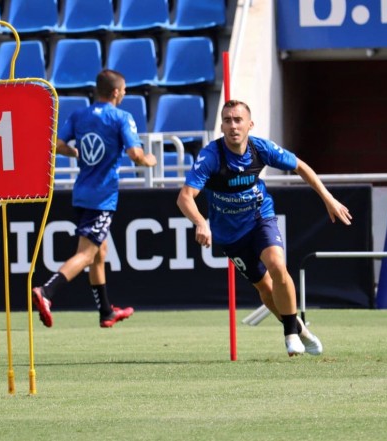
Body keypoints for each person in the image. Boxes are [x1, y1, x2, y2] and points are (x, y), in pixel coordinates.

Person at [177, 100, 352, 356]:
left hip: (260, 217)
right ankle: (299, 328)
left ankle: (289, 334)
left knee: (277, 265)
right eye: (227, 120)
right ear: (222, 126)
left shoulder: (260, 148)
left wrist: (329, 199)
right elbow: (184, 197)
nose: (233, 125)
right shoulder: (211, 156)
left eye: (238, 120)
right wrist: (201, 222)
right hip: (229, 234)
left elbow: (301, 167)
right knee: (265, 289)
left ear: (250, 124)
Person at [32, 69, 157, 328]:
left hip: (82, 193)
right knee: (87, 255)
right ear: (114, 92)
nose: (124, 94)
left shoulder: (80, 115)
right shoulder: (121, 117)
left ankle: (106, 312)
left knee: (100, 252)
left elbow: (56, 144)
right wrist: (148, 160)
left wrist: (78, 152)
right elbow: (135, 153)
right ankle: (46, 292)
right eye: (123, 90)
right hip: (102, 196)